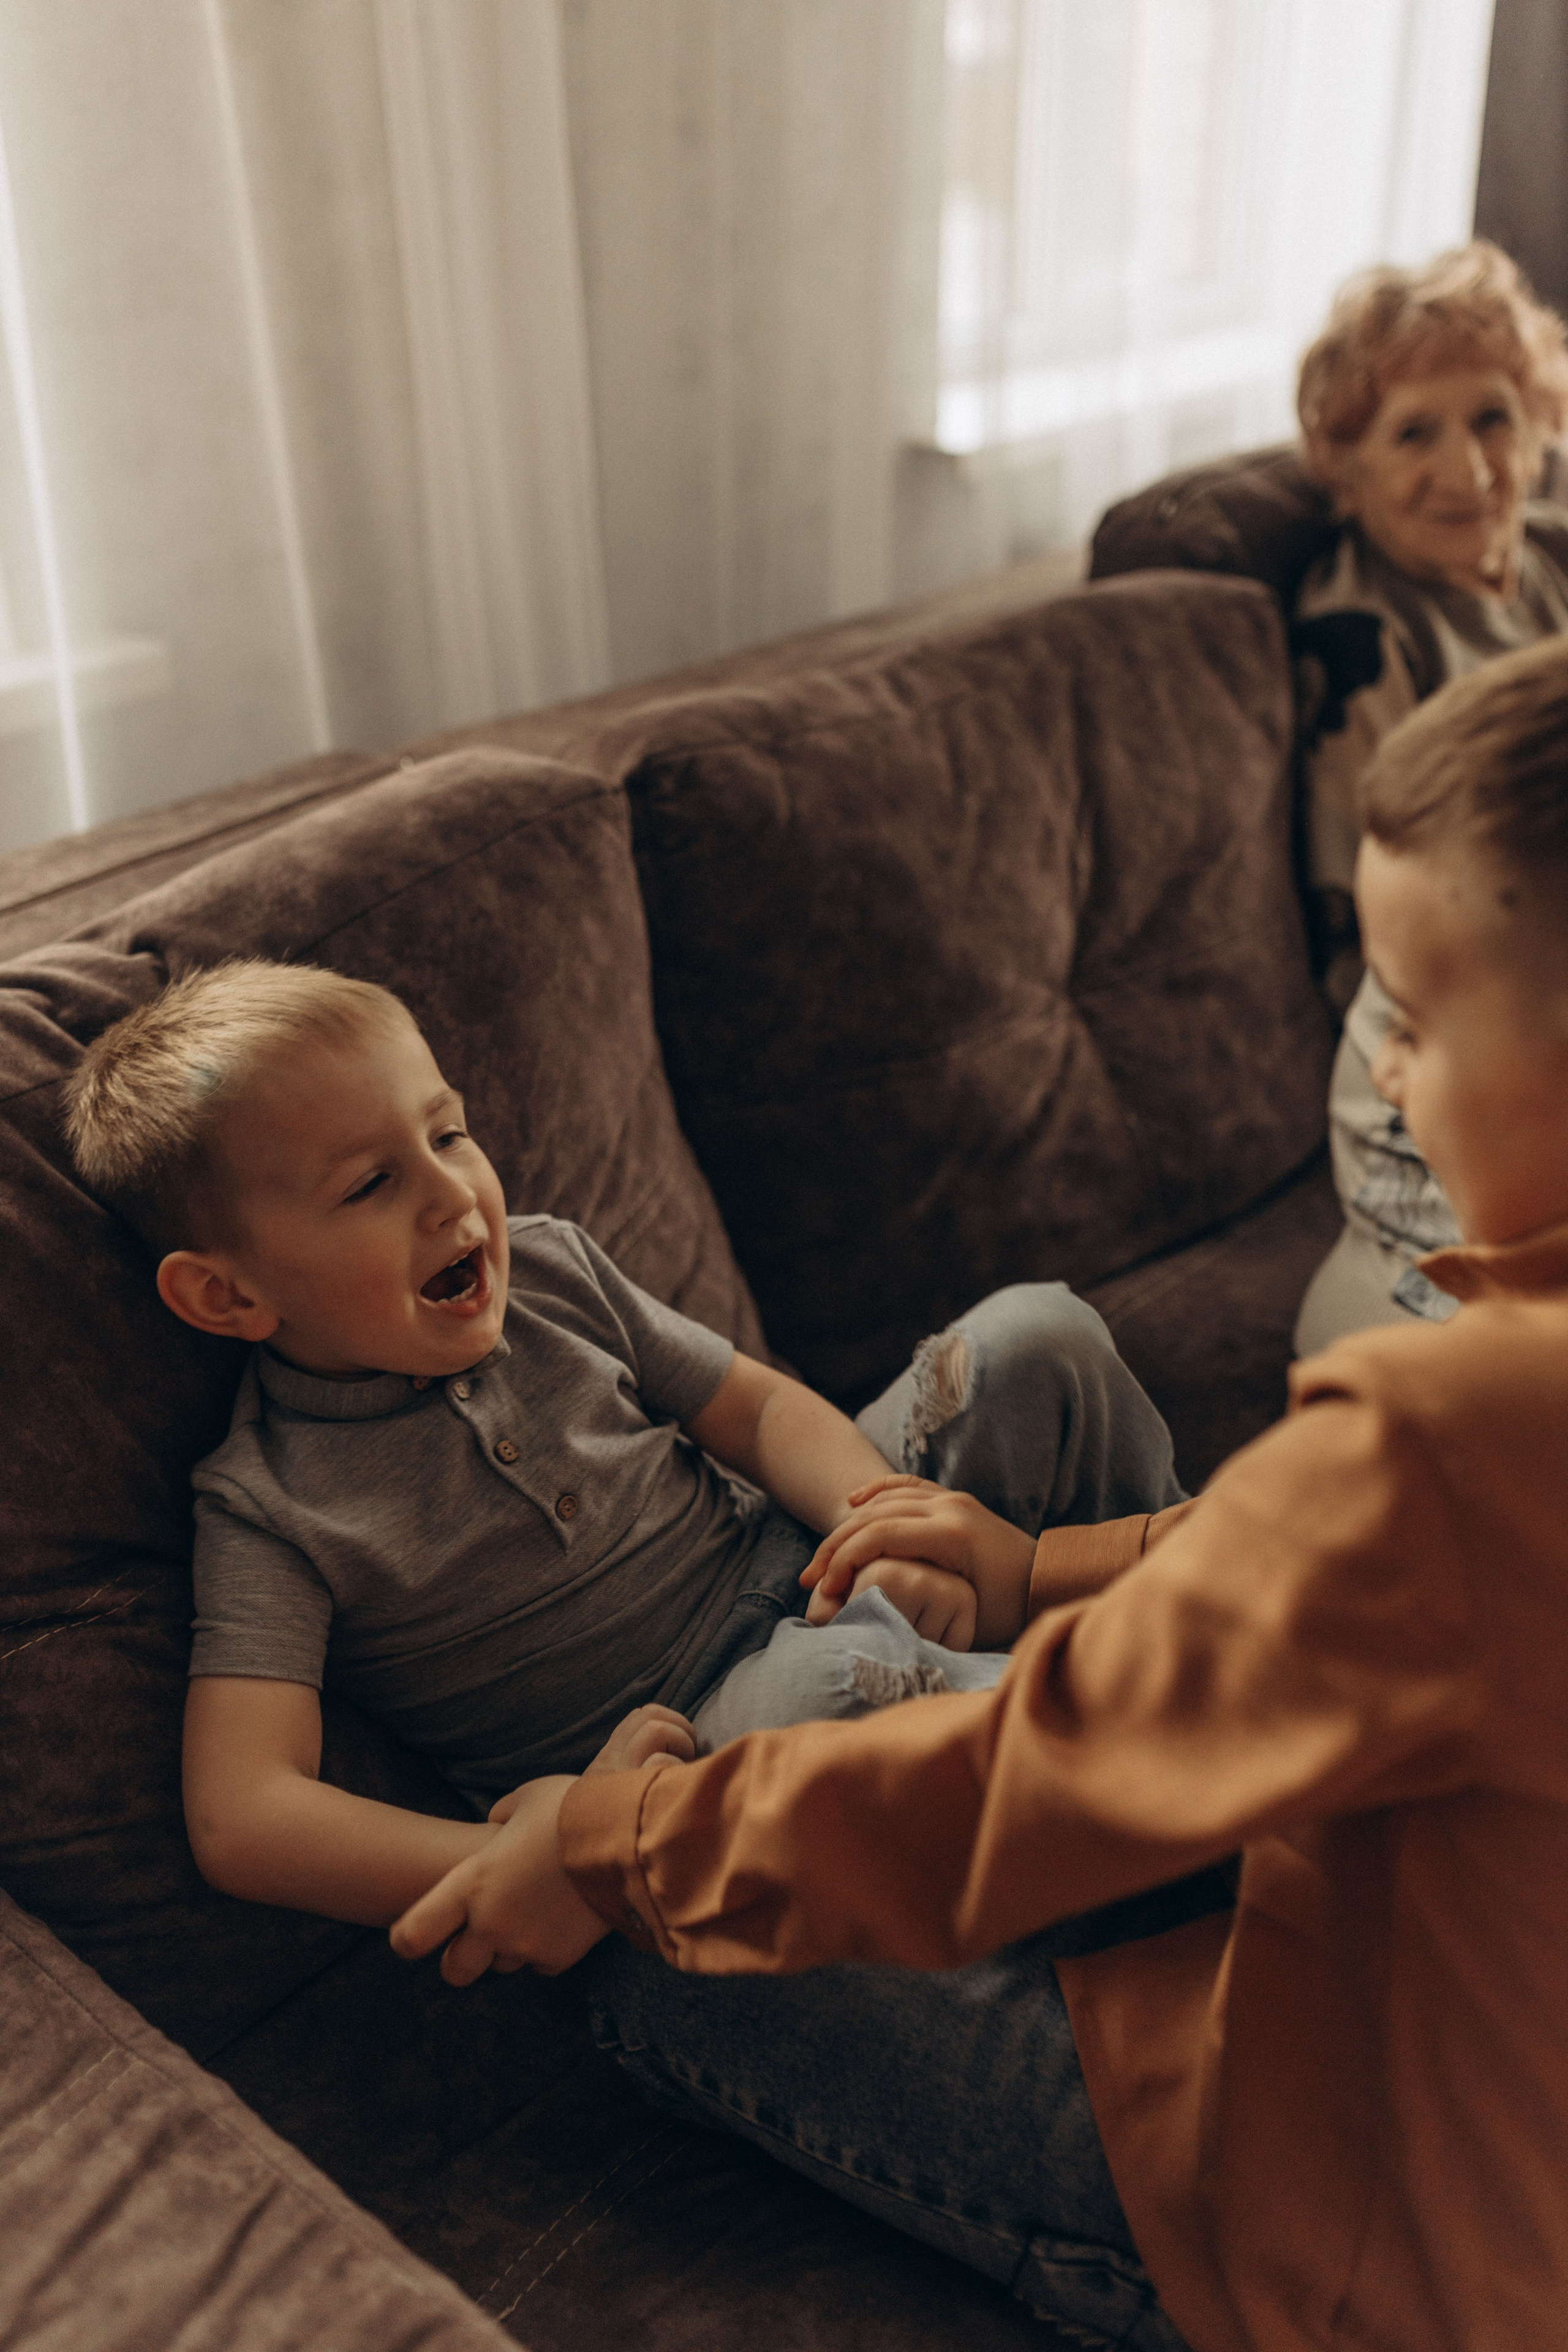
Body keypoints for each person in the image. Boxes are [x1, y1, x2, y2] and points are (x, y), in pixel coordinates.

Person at [394, 640, 1568, 2351]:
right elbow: (1338, 1577)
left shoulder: (1455, 1425)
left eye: (1413, 1006)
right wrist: (1038, 1568)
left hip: (1386, 2249)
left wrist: (604, 1839)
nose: (1380, 1068)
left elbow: (1025, 1785)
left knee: (638, 1951)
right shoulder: (1457, 1442)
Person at [62, 959, 1182, 1926]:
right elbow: (244, 1816)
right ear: (226, 1296)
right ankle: (1181, 1767)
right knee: (841, 1688)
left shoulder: (552, 1269)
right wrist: (531, 1863)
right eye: (370, 1184)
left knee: (1037, 1337)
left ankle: (1162, 1628)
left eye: (449, 1131)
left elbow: (757, 1411)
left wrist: (878, 1524)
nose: (455, 1190)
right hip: (699, 1741)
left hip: (800, 1557)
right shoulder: (272, 1506)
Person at [1292, 236, 1568, 1350]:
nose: (1469, 469)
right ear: (1345, 472)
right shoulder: (1360, 634)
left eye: (1492, 417)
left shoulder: (1554, 556)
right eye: (1416, 433)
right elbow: (1374, 937)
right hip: (1427, 1028)